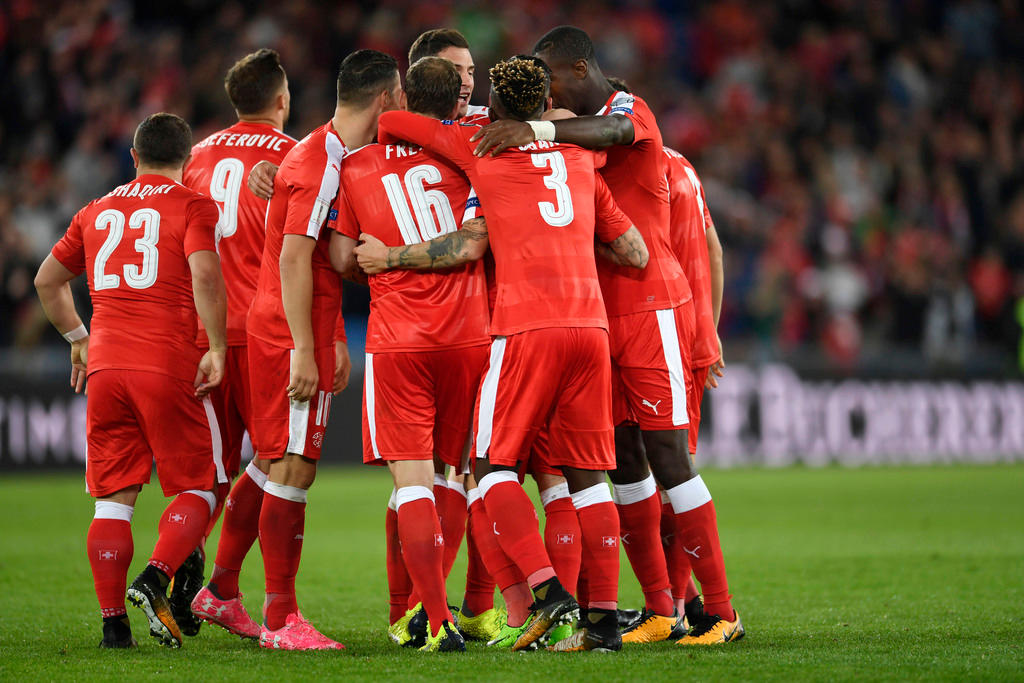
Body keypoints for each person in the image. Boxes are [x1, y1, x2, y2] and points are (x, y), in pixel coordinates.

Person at [360, 55, 649, 652]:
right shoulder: (582, 157)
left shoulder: (479, 149)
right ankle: (601, 623)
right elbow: (632, 249)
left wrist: (389, 256)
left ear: (496, 104)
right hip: (590, 328)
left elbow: (397, 125)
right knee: (589, 478)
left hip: (524, 328)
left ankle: (546, 592)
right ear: (546, 103)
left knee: (490, 468)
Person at [470, 26, 743, 645]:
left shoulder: (628, 110)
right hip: (594, 315)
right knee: (620, 462)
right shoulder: (568, 150)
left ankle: (722, 612)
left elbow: (617, 135)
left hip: (651, 309)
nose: (544, 91)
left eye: (550, 77)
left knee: (670, 456)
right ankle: (660, 610)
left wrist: (537, 129)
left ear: (576, 69)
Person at [33, 112, 227, 649]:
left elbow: (47, 280)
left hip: (105, 367)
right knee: (202, 488)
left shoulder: (96, 210)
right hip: (166, 364)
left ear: (135, 158)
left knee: (113, 502)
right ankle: (157, 576)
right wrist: (216, 345)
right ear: (186, 162)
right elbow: (206, 273)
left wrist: (78, 337)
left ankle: (113, 625)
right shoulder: (193, 204)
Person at [328, 55, 492, 653]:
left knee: (412, 484)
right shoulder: (468, 155)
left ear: (400, 99)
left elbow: (344, 258)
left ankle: (433, 620)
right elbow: (478, 243)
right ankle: (447, 608)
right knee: (455, 474)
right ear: (455, 105)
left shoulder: (359, 165)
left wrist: (383, 260)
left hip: (398, 339)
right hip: (469, 333)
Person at [244, 48, 402, 651]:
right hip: (289, 328)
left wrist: (330, 335)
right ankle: (281, 621)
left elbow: (316, 257)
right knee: (291, 466)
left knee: (278, 462)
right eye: (403, 98)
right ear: (387, 99)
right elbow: (291, 257)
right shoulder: (321, 160)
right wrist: (305, 348)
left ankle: (229, 593)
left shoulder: (323, 152)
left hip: (301, 323)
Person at [176, 48, 300, 640]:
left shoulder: (194, 157)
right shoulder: (293, 157)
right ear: (281, 99)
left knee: (211, 473)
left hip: (202, 334)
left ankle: (182, 573)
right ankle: (221, 586)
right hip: (262, 332)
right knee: (276, 459)